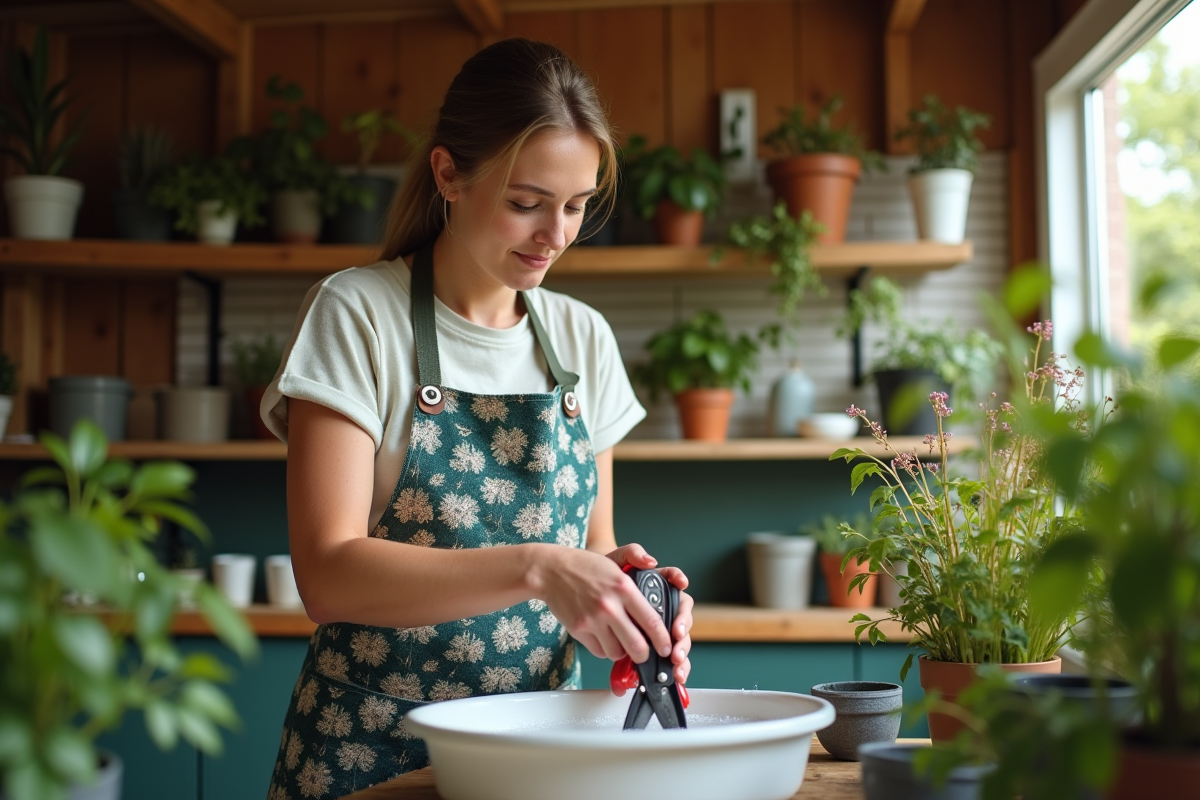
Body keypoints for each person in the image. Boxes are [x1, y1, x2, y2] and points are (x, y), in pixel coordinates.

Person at [262, 38, 694, 799]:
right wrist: (540, 568)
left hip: (538, 759)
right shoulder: (357, 314)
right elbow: (327, 576)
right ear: (448, 174)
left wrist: (630, 607)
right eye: (527, 203)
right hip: (370, 756)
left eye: (576, 205)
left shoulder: (582, 339)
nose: (556, 234)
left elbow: (590, 549)